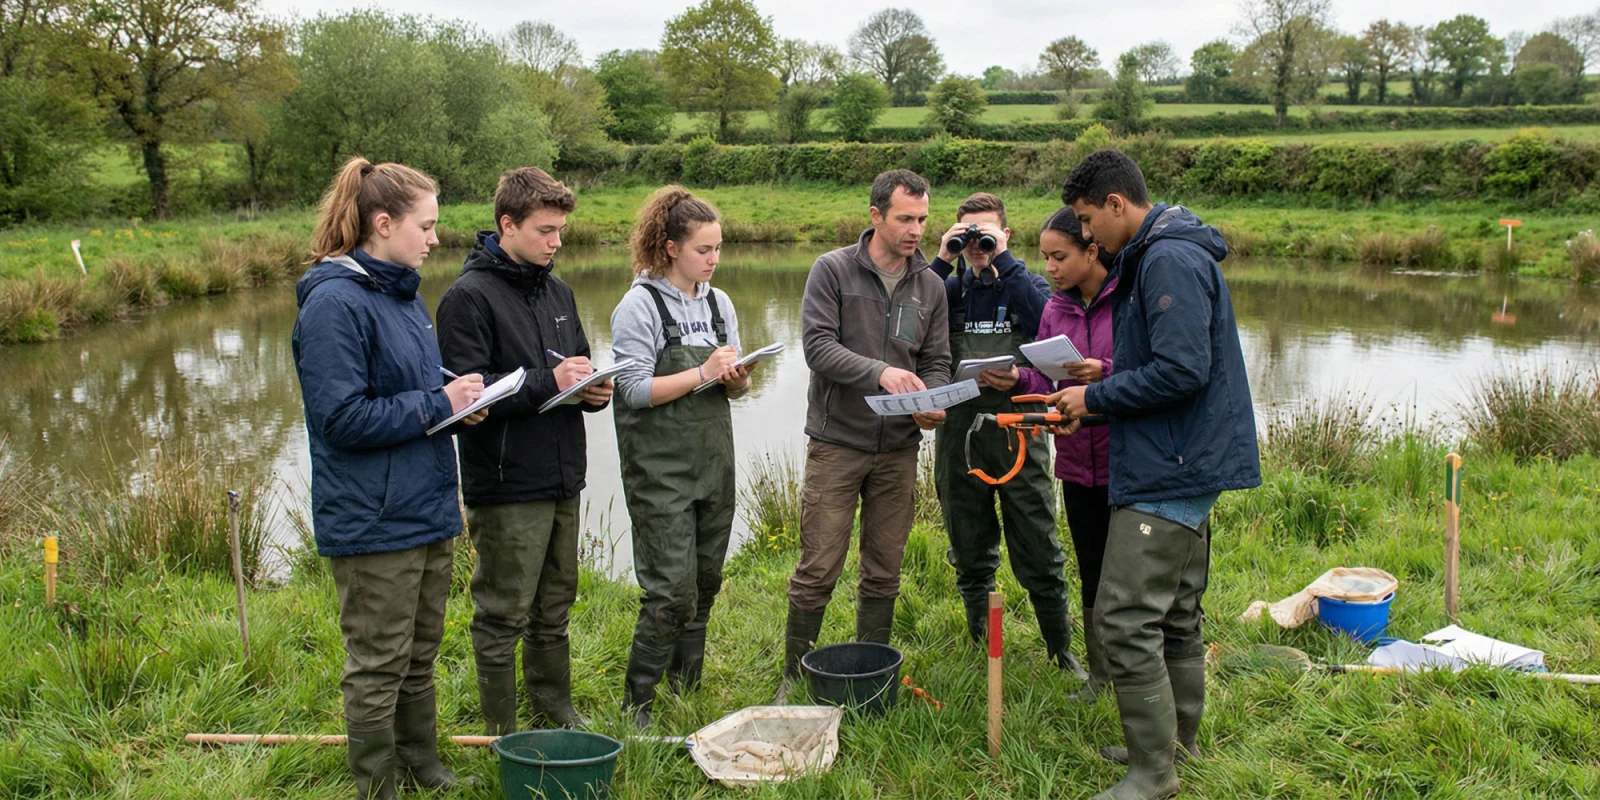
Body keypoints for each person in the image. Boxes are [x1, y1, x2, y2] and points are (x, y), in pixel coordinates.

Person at [1050, 150, 1262, 800]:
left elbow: (1183, 372)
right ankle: (1176, 744)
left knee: (1123, 616)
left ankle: (1153, 774)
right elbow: (1170, 363)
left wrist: (1096, 400)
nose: (1087, 236)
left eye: (1088, 221)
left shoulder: (1167, 258)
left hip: (1171, 466)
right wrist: (1107, 373)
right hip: (1185, 459)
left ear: (1118, 204)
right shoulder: (1161, 251)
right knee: (1176, 614)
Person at [292, 156, 486, 799]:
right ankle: (378, 786)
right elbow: (341, 417)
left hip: (426, 505)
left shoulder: (399, 293)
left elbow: (410, 390)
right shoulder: (333, 304)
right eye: (426, 226)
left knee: (421, 653)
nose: (435, 239)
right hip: (373, 518)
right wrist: (440, 405)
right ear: (383, 223)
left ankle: (423, 764)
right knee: (378, 663)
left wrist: (459, 401)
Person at [435, 167, 612, 735]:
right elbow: (466, 396)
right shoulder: (466, 298)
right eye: (545, 231)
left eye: (560, 230)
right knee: (502, 614)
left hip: (564, 474)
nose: (556, 242)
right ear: (507, 225)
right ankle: (502, 732)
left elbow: (576, 363)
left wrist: (593, 392)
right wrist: (550, 382)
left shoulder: (558, 289)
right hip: (507, 482)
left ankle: (554, 711)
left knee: (555, 607)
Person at [779, 169, 952, 700]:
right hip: (837, 444)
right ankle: (793, 677)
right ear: (875, 215)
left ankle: (872, 675)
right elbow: (817, 347)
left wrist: (933, 403)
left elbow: (938, 361)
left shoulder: (931, 286)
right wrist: (879, 371)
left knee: (884, 569)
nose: (915, 229)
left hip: (899, 449)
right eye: (904, 218)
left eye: (922, 219)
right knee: (819, 566)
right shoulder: (831, 270)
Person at [610, 186, 753, 728]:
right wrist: (703, 373)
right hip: (660, 469)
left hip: (714, 462)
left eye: (719, 249)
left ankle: (685, 687)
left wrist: (736, 379)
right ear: (670, 248)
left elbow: (730, 390)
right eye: (703, 251)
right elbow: (633, 391)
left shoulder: (720, 303)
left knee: (706, 581)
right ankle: (637, 708)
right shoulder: (638, 305)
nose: (714, 260)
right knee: (669, 591)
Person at [928, 193, 1085, 677]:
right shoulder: (948, 292)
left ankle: (1061, 652)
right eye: (968, 233)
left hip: (1022, 427)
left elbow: (1050, 323)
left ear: (1006, 235)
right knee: (968, 539)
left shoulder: (1027, 282)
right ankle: (980, 640)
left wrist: (1004, 263)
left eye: (986, 234)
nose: (977, 243)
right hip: (959, 430)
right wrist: (942, 260)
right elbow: (910, 311)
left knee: (1038, 540)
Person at [1016, 207, 1118, 700]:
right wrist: (1019, 379)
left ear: (1091, 250)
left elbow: (1151, 373)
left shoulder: (1129, 298)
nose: (1050, 268)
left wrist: (1107, 372)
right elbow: (1044, 377)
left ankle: (1143, 678)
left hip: (1129, 463)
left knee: (1134, 580)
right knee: (1093, 570)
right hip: (1077, 463)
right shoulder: (1056, 306)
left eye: (1060, 257)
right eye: (1045, 258)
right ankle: (1102, 678)